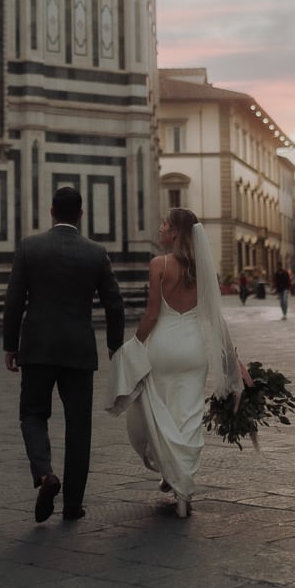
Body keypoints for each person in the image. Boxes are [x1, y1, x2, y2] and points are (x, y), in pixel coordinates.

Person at [104, 208, 251, 518]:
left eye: (164, 225)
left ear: (174, 233)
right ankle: (182, 488)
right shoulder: (204, 269)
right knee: (188, 416)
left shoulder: (159, 265)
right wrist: (233, 357)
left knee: (160, 414)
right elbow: (215, 318)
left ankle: (172, 476)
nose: (160, 229)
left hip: (163, 347)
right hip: (195, 349)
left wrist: (135, 343)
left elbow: (152, 315)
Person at [3, 186, 125, 524]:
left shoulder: (30, 247)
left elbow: (14, 300)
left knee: (32, 414)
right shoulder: (96, 252)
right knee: (79, 427)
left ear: (52, 211)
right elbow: (114, 304)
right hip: (78, 350)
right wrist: (115, 344)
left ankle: (45, 475)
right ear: (81, 214)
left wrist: (10, 345)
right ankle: (73, 505)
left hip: (38, 347)